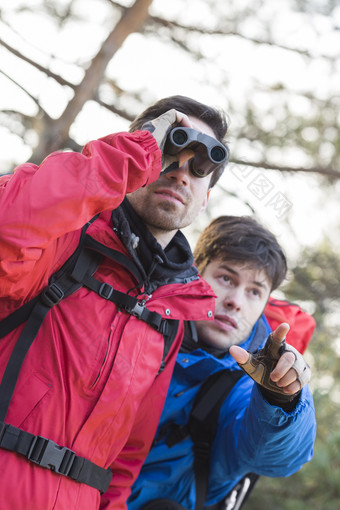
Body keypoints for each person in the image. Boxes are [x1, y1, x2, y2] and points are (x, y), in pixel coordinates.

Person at [0, 96, 229, 510]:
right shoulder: (62, 240)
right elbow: (8, 227)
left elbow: (122, 465)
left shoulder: (170, 314)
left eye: (200, 167)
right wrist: (132, 152)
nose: (180, 173)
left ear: (205, 198)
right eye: (170, 152)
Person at [127, 216, 316, 510]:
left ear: (265, 303)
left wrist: (282, 398)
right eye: (226, 278)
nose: (235, 301)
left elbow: (277, 459)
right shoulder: (133, 324)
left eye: (254, 291)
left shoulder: (250, 381)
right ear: (196, 273)